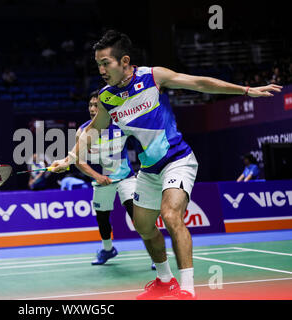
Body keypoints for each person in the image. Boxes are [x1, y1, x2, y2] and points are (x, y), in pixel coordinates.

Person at [49, 30, 282, 300]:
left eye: (106, 63)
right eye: (98, 64)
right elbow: (93, 130)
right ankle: (164, 280)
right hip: (149, 170)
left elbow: (198, 83)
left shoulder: (152, 76)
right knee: (143, 226)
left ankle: (187, 288)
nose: (101, 69)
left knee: (171, 215)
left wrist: (245, 90)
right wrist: (68, 158)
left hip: (177, 159)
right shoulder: (107, 97)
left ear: (124, 61)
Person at [76, 90, 155, 267]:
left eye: (96, 105)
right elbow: (79, 162)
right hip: (102, 181)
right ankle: (108, 249)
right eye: (90, 105)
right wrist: (98, 176)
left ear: (105, 107)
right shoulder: (83, 131)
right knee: (102, 218)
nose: (92, 108)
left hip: (125, 178)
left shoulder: (121, 125)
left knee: (138, 215)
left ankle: (154, 253)